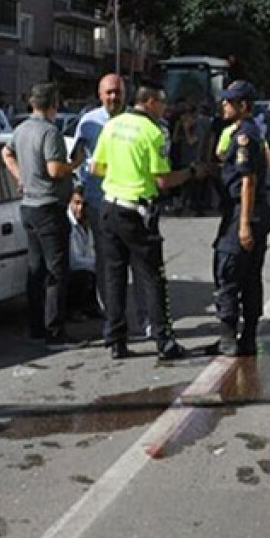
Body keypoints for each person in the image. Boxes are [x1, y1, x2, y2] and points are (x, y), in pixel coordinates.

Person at [90, 84, 203, 360]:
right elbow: (162, 180)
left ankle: (115, 340)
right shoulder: (155, 132)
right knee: (152, 277)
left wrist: (120, 172)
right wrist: (190, 172)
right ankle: (163, 340)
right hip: (136, 212)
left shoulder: (113, 125)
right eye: (163, 102)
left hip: (109, 206)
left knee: (114, 276)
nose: (166, 108)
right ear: (150, 102)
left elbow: (95, 167)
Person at [3, 83, 84, 346]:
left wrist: (22, 177)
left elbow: (6, 153)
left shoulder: (21, 129)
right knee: (57, 270)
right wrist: (75, 164)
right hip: (49, 206)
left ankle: (36, 327)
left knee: (36, 269)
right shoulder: (50, 132)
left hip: (28, 206)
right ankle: (55, 330)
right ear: (54, 104)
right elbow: (54, 170)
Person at [74, 74, 148, 333]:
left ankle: (146, 319)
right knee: (107, 262)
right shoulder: (88, 122)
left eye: (117, 92)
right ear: (100, 94)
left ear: (125, 94)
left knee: (139, 263)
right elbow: (79, 162)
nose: (113, 97)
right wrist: (78, 193)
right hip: (99, 202)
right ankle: (113, 318)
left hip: (133, 202)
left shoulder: (139, 123)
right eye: (108, 93)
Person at [211, 81, 270, 356]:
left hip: (243, 211)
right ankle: (247, 338)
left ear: (243, 106)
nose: (224, 105)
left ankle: (229, 339)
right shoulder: (248, 132)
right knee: (250, 276)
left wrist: (244, 224)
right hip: (252, 210)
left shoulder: (244, 137)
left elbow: (248, 180)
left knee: (228, 271)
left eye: (229, 102)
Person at [67, 185, 102, 320]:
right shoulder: (69, 224)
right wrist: (97, 264)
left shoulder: (89, 222)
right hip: (73, 270)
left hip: (86, 266)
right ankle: (73, 309)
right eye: (77, 203)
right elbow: (74, 261)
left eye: (84, 204)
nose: (80, 208)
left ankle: (91, 306)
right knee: (84, 274)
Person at [171, 102, 209, 215]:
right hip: (184, 158)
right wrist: (178, 128)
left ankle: (198, 208)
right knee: (184, 185)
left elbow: (192, 141)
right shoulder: (183, 127)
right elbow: (174, 140)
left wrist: (187, 130)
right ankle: (180, 206)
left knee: (195, 186)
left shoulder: (199, 126)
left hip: (195, 159)